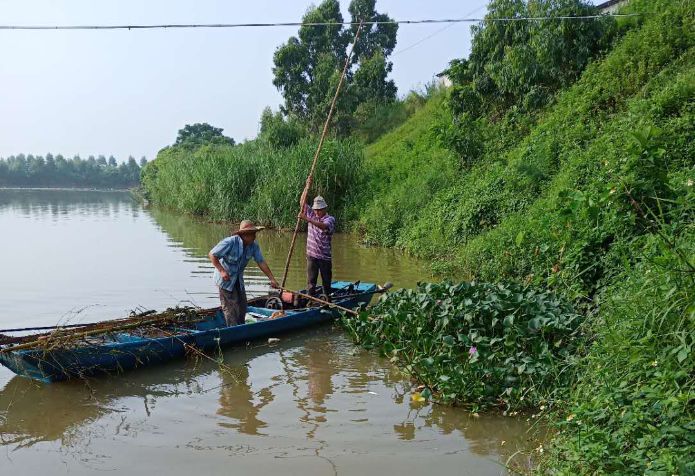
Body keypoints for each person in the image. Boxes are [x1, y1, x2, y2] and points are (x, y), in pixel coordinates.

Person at [208, 220, 279, 326]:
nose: (254, 236)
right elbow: (212, 254)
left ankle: (241, 326)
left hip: (237, 279)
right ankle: (232, 329)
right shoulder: (230, 242)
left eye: (254, 234)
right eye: (252, 234)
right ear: (244, 235)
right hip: (225, 280)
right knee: (230, 307)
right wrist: (222, 271)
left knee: (242, 304)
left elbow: (261, 262)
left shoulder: (253, 246)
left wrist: (271, 278)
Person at [299, 178, 336, 297]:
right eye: (316, 210)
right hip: (312, 256)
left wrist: (307, 219)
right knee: (311, 282)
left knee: (326, 283)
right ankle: (310, 301)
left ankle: (327, 302)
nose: (317, 212)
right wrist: (307, 187)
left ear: (325, 209)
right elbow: (302, 203)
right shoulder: (312, 213)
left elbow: (323, 226)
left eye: (320, 210)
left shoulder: (329, 219)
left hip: (324, 257)